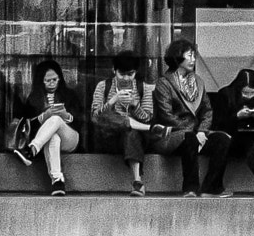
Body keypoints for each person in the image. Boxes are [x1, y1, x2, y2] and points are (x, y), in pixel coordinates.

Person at [149, 39, 232, 196]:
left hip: (196, 133)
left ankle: (211, 187)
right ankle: (190, 188)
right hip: (171, 135)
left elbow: (207, 110)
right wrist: (193, 132)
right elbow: (166, 115)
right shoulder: (164, 83)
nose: (193, 60)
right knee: (189, 138)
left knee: (223, 140)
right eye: (190, 55)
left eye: (194, 56)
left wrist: (202, 131)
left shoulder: (198, 81)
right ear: (178, 58)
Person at [12, 58, 80, 196]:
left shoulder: (70, 95)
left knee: (55, 118)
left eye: (55, 79)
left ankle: (31, 150)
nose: (52, 83)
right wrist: (44, 116)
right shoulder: (33, 98)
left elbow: (82, 122)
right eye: (47, 80)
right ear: (40, 81)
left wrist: (66, 116)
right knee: (53, 137)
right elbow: (28, 124)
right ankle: (57, 180)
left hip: (70, 137)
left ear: (60, 78)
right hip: (48, 139)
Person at [90, 50, 155, 193]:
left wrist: (134, 105)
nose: (126, 78)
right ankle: (136, 124)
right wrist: (113, 101)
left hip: (135, 138)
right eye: (122, 74)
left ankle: (137, 181)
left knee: (131, 132)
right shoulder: (103, 86)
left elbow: (148, 117)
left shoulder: (143, 88)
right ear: (114, 70)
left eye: (130, 74)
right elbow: (95, 117)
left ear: (136, 72)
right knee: (108, 116)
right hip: (109, 137)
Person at [213, 68, 254, 194]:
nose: (249, 96)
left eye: (252, 93)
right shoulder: (225, 95)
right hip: (231, 139)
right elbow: (218, 125)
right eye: (245, 93)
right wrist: (237, 116)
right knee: (249, 138)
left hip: (253, 138)